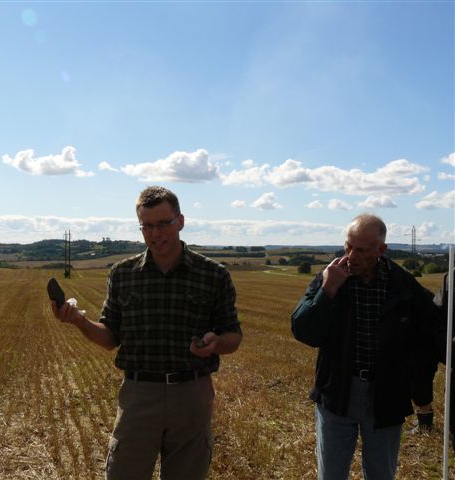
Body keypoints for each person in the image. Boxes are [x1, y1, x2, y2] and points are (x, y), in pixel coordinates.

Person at [50, 186, 243, 480]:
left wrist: (216, 343)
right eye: (147, 226)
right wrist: (79, 321)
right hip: (139, 395)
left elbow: (233, 336)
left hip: (191, 394)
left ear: (180, 221)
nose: (156, 233)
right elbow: (110, 337)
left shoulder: (213, 275)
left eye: (163, 223)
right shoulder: (123, 274)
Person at [291, 213, 436, 480]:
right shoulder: (331, 277)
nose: (351, 256)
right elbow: (304, 332)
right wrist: (327, 290)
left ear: (381, 250)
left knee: (381, 473)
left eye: (361, 250)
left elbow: (430, 334)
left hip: (387, 395)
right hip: (338, 392)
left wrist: (420, 392)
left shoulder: (402, 285)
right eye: (348, 246)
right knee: (331, 474)